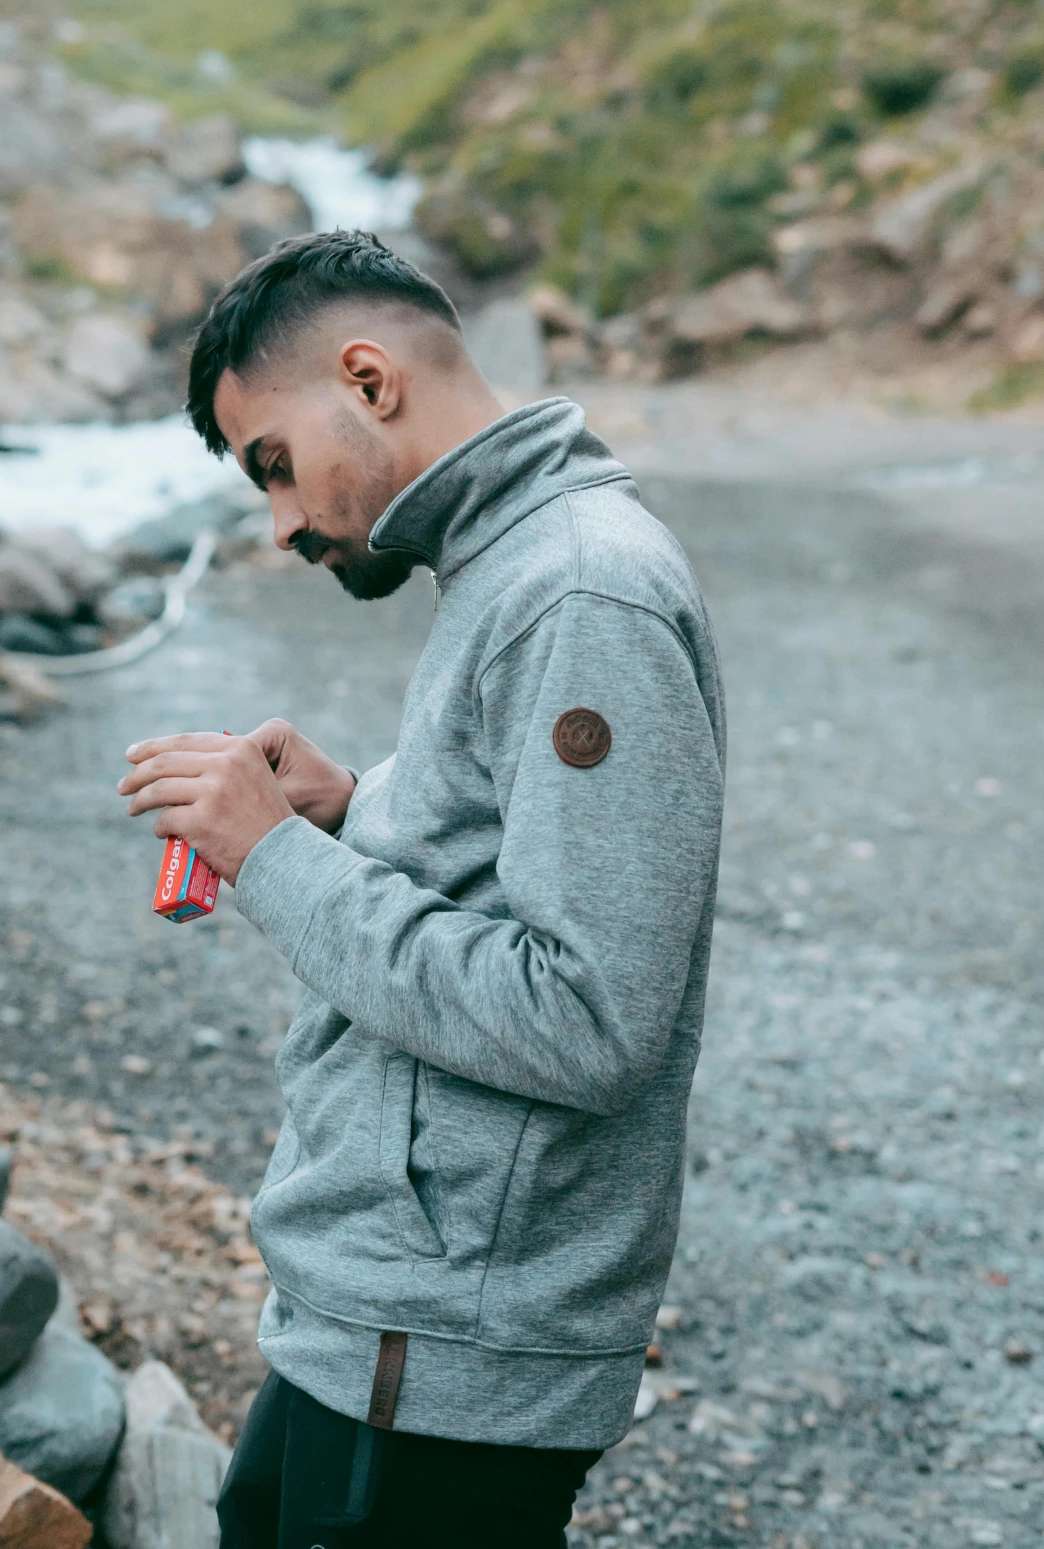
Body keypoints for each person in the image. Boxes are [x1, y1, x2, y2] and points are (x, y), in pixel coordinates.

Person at [118, 232, 725, 1549]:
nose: (277, 524)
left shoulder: (577, 588)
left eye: (271, 463)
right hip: (390, 1327)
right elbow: (517, 842)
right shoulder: (511, 564)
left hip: (446, 1353)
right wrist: (355, 807)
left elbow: (588, 1015)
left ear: (366, 378)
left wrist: (275, 860)